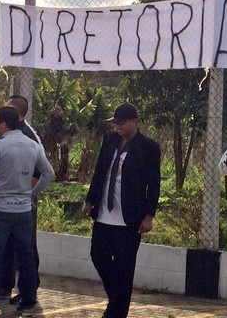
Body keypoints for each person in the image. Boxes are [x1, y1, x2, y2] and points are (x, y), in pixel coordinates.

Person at [0, 106, 55, 318]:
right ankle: (28, 303)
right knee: (26, 257)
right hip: (23, 210)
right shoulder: (32, 145)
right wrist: (31, 194)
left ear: (3, 123)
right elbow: (49, 173)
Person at [82, 102, 161, 318]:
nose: (118, 127)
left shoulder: (149, 147)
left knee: (124, 268)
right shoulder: (110, 140)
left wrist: (149, 215)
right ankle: (116, 299)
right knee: (98, 256)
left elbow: (153, 184)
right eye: (115, 123)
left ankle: (116, 313)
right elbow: (99, 171)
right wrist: (90, 201)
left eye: (121, 123)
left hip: (130, 217)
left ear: (134, 122)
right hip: (104, 214)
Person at [0, 95, 45, 305]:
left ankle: (29, 290)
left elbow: (41, 170)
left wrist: (28, 193)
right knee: (10, 245)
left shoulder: (26, 136)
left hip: (21, 201)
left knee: (25, 246)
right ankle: (6, 286)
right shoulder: (16, 133)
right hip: (13, 200)